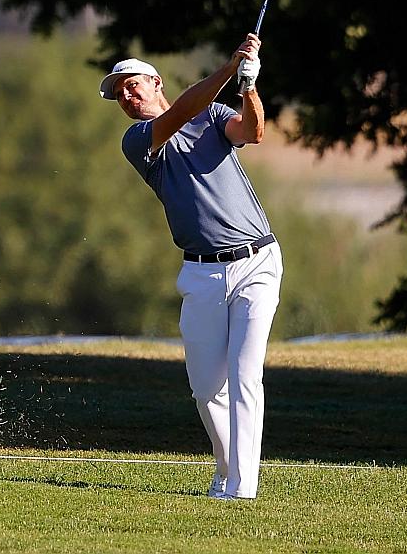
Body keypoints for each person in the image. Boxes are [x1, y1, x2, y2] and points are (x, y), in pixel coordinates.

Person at [100, 34, 280, 500]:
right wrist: (229, 67)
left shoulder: (215, 114)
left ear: (154, 81)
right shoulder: (138, 140)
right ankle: (225, 471)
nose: (125, 96)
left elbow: (253, 132)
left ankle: (241, 490)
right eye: (118, 93)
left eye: (131, 85)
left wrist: (248, 85)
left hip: (257, 262)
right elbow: (179, 112)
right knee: (206, 390)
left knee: (245, 376)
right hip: (200, 273)